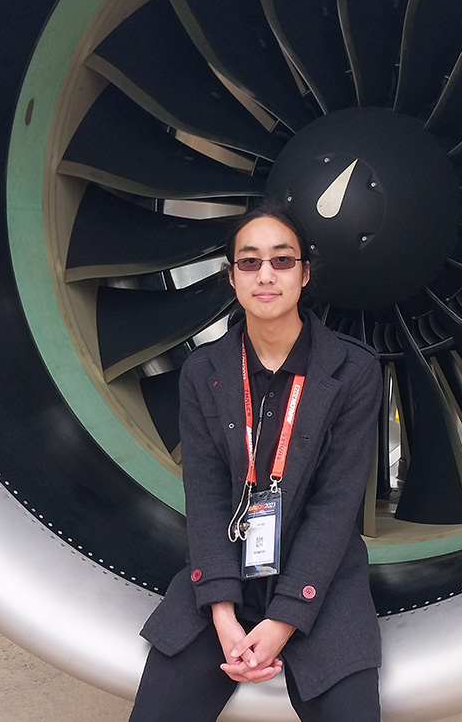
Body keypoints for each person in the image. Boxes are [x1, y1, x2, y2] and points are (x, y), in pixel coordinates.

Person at [130, 202, 383, 721]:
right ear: (232, 277)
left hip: (321, 578)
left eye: (282, 260)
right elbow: (205, 496)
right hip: (226, 569)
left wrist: (284, 620)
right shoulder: (203, 371)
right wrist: (222, 614)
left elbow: (337, 506)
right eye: (249, 262)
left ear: (305, 273)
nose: (266, 275)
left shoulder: (353, 370)